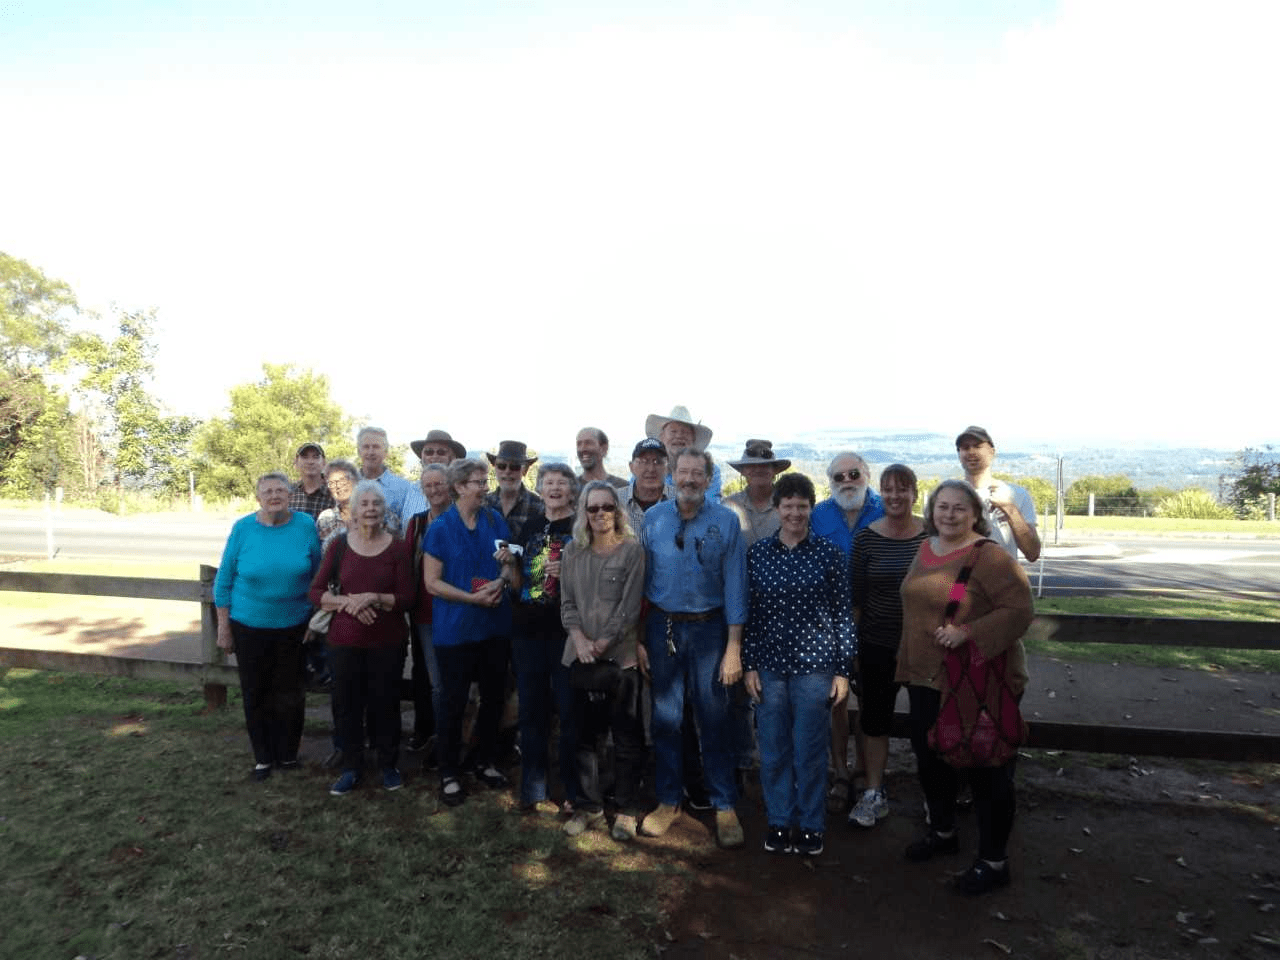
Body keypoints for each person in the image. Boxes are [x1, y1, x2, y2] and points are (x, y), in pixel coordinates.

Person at [897, 479, 1033, 895]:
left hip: (975, 681)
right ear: (932, 510)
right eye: (942, 506)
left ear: (975, 513)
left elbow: (1021, 609)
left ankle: (994, 861)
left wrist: (969, 632)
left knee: (986, 768)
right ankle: (942, 832)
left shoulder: (988, 557)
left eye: (959, 508)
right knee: (931, 760)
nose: (950, 514)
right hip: (926, 677)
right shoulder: (925, 548)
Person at [639, 448, 747, 849]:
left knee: (714, 716)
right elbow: (641, 581)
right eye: (682, 471)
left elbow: (736, 584)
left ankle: (724, 804)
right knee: (666, 718)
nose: (688, 479)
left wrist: (733, 647)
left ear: (708, 478)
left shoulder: (726, 521)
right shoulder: (653, 519)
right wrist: (637, 638)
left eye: (696, 473)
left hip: (710, 629)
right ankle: (669, 800)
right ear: (672, 475)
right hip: (662, 626)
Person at [743, 473, 854, 856]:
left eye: (801, 505)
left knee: (809, 749)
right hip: (770, 667)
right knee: (773, 749)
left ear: (811, 509)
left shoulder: (829, 555)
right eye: (787, 505)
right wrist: (750, 665)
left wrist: (843, 669)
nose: (794, 512)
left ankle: (810, 824)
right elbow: (751, 614)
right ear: (777, 509)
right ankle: (778, 820)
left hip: (815, 666)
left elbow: (842, 615)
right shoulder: (757, 555)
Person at [422, 457, 521, 807]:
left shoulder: (495, 521)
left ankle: (485, 761)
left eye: (484, 481)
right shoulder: (440, 528)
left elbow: (510, 564)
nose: (485, 487)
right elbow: (431, 584)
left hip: (494, 627)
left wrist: (500, 581)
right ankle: (449, 772)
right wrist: (471, 598)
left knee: (494, 699)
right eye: (479, 481)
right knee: (454, 702)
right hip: (456, 631)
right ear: (460, 487)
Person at [309, 480, 414, 795]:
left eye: (376, 504)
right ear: (353, 511)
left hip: (388, 642)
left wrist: (373, 597)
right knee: (346, 705)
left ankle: (388, 765)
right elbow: (315, 591)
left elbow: (408, 598)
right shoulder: (339, 545)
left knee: (385, 704)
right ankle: (351, 767)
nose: (370, 509)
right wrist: (348, 603)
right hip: (344, 642)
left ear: (384, 510)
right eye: (364, 504)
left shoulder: (398, 548)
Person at [215, 472, 321, 781]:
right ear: (258, 497)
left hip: (295, 626)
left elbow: (317, 576)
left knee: (291, 693)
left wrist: (314, 618)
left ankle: (288, 755)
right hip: (249, 626)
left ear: (290, 495)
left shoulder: (304, 525)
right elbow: (223, 582)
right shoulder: (243, 528)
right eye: (268, 491)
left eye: (280, 490)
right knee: (255, 692)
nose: (274, 495)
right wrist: (224, 628)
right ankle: (263, 757)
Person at [560, 481, 647, 840]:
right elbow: (567, 605)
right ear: (584, 513)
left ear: (617, 510)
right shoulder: (572, 552)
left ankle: (626, 809)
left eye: (606, 507)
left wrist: (602, 643)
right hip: (578, 658)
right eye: (592, 508)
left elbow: (629, 608)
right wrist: (580, 640)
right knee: (582, 737)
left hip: (620, 660)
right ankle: (589, 806)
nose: (600, 514)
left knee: (626, 736)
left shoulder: (632, 551)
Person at [847, 464, 927, 829]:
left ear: (914, 493)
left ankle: (935, 792)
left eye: (903, 489)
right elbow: (857, 600)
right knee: (875, 722)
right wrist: (853, 648)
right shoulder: (866, 538)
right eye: (888, 490)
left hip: (926, 646)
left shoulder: (934, 533)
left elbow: (960, 580)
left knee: (927, 722)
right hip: (876, 644)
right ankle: (874, 792)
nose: (895, 496)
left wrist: (955, 614)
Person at [811, 451, 884, 814]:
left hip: (877, 621)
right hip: (830, 622)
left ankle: (863, 772)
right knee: (835, 701)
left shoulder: (887, 509)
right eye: (838, 477)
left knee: (870, 703)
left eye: (853, 473)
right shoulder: (819, 515)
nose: (846, 481)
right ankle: (840, 770)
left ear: (867, 475)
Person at [510, 463, 581, 817]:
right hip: (528, 630)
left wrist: (569, 571)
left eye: (561, 483)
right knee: (531, 711)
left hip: (568, 632)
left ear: (572, 490)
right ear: (539, 488)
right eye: (548, 482)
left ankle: (571, 790)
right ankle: (533, 787)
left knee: (569, 713)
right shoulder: (531, 525)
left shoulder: (581, 528)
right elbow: (520, 582)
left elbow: (593, 579)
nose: (554, 488)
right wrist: (507, 565)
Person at [403, 462, 454, 758]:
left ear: (450, 486)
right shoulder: (417, 523)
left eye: (439, 484)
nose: (434, 490)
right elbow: (408, 565)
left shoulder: (462, 520)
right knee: (436, 682)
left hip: (458, 611)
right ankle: (439, 737)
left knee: (451, 680)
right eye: (429, 486)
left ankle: (450, 737)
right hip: (424, 613)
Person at [956, 426, 1041, 562]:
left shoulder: (1017, 494)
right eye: (965, 448)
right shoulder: (947, 496)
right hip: (959, 582)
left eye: (977, 446)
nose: (971, 452)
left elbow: (1032, 553)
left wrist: (1009, 509)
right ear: (959, 454)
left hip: (1002, 581)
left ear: (992, 452)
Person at [645, 404, 723, 502]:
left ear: (693, 440)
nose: (679, 436)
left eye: (685, 432)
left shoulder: (710, 471)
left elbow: (710, 508)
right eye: (673, 431)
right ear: (662, 437)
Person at [724, 439, 790, 548]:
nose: (758, 469)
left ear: (775, 471)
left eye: (765, 465)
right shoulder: (729, 506)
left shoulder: (790, 506)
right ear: (743, 471)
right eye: (751, 465)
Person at [399, 429, 467, 530]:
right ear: (421, 457)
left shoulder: (464, 491)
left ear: (453, 458)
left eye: (441, 452)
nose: (434, 457)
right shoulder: (410, 490)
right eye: (429, 452)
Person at [485, 440, 545, 545]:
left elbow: (544, 550)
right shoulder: (483, 504)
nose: (507, 471)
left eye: (515, 467)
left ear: (525, 470)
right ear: (495, 468)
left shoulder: (539, 506)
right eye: (501, 466)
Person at [356, 426, 410, 535]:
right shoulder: (347, 486)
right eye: (366, 447)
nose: (371, 452)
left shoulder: (405, 488)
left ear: (385, 452)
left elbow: (407, 530)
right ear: (358, 451)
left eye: (376, 447)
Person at [618, 437, 669, 532]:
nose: (651, 469)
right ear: (631, 467)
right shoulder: (616, 500)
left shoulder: (679, 500)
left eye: (658, 462)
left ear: (667, 468)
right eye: (643, 462)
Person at [316, 460, 359, 550]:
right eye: (331, 483)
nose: (337, 486)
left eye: (342, 480)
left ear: (355, 481)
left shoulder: (374, 513)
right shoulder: (325, 518)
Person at [289, 442, 336, 519]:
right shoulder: (288, 493)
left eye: (316, 457)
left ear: (324, 462)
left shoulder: (334, 495)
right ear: (296, 462)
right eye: (305, 457)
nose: (310, 462)